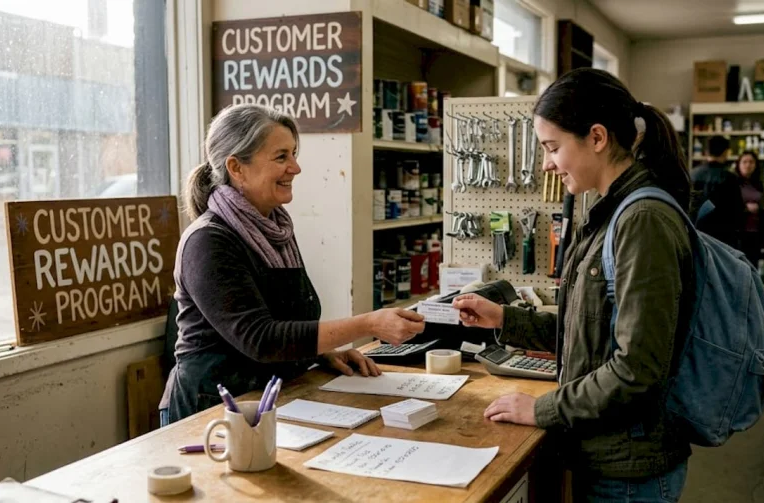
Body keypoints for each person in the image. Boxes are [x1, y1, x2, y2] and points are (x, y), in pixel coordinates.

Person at [452, 68, 694, 502]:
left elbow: (637, 370)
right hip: (606, 454)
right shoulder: (608, 214)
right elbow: (588, 334)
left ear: (597, 138)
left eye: (552, 148)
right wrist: (504, 318)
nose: (547, 164)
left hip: (630, 470)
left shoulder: (642, 221)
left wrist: (541, 409)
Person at [159, 104, 425, 425]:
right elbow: (261, 338)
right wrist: (367, 324)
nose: (295, 168)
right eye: (281, 157)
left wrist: (321, 353)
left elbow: (285, 318)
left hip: (270, 398)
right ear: (236, 167)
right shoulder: (207, 241)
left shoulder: (276, 229)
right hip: (211, 410)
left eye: (293, 154)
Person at [689, 135, 744, 248]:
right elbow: (737, 211)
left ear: (706, 152)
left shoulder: (692, 175)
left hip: (696, 234)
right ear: (725, 152)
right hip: (723, 238)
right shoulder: (730, 178)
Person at [734, 150, 764, 266]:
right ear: (738, 164)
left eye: (751, 162)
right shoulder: (732, 183)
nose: (748, 165)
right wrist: (746, 208)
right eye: (744, 162)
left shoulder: (761, 184)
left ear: (756, 165)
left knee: (752, 265)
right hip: (738, 233)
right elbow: (727, 206)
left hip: (756, 233)